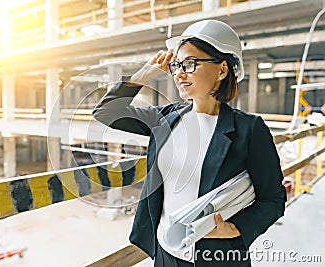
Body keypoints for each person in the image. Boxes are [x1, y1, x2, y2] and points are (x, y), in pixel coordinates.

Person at [92, 19, 286, 266]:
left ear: (223, 69)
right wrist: (145, 73)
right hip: (165, 254)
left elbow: (273, 199)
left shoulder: (249, 130)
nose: (179, 73)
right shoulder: (164, 119)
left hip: (218, 257)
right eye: (176, 66)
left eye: (190, 64)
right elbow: (106, 112)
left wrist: (235, 229)